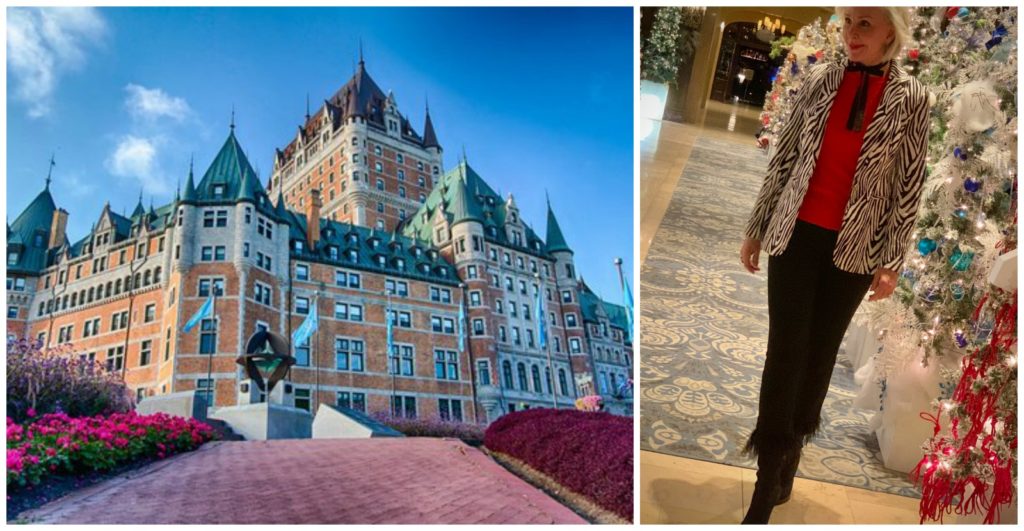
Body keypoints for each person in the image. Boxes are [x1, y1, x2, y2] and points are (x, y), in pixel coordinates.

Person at [738, 7, 930, 524]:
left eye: (865, 24)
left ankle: (793, 448)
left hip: (856, 248)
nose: (852, 33)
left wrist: (891, 260)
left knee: (820, 353)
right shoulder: (822, 78)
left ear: (892, 30)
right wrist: (757, 226)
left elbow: (908, 186)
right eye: (848, 23)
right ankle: (766, 474)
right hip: (795, 233)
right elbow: (785, 157)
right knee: (785, 351)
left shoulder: (912, 98)